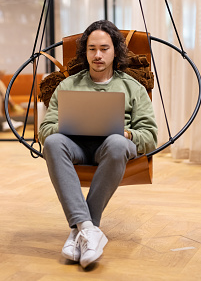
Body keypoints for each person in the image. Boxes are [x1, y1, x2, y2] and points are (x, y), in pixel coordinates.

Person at [39, 20, 158, 268]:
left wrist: (127, 135)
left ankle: (79, 231)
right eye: (92, 49)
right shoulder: (68, 85)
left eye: (104, 48)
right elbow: (44, 131)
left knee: (116, 142)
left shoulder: (132, 87)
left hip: (113, 149)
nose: (98, 55)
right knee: (53, 143)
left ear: (115, 50)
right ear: (85, 52)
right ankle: (88, 229)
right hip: (77, 148)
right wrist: (69, 126)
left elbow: (150, 135)